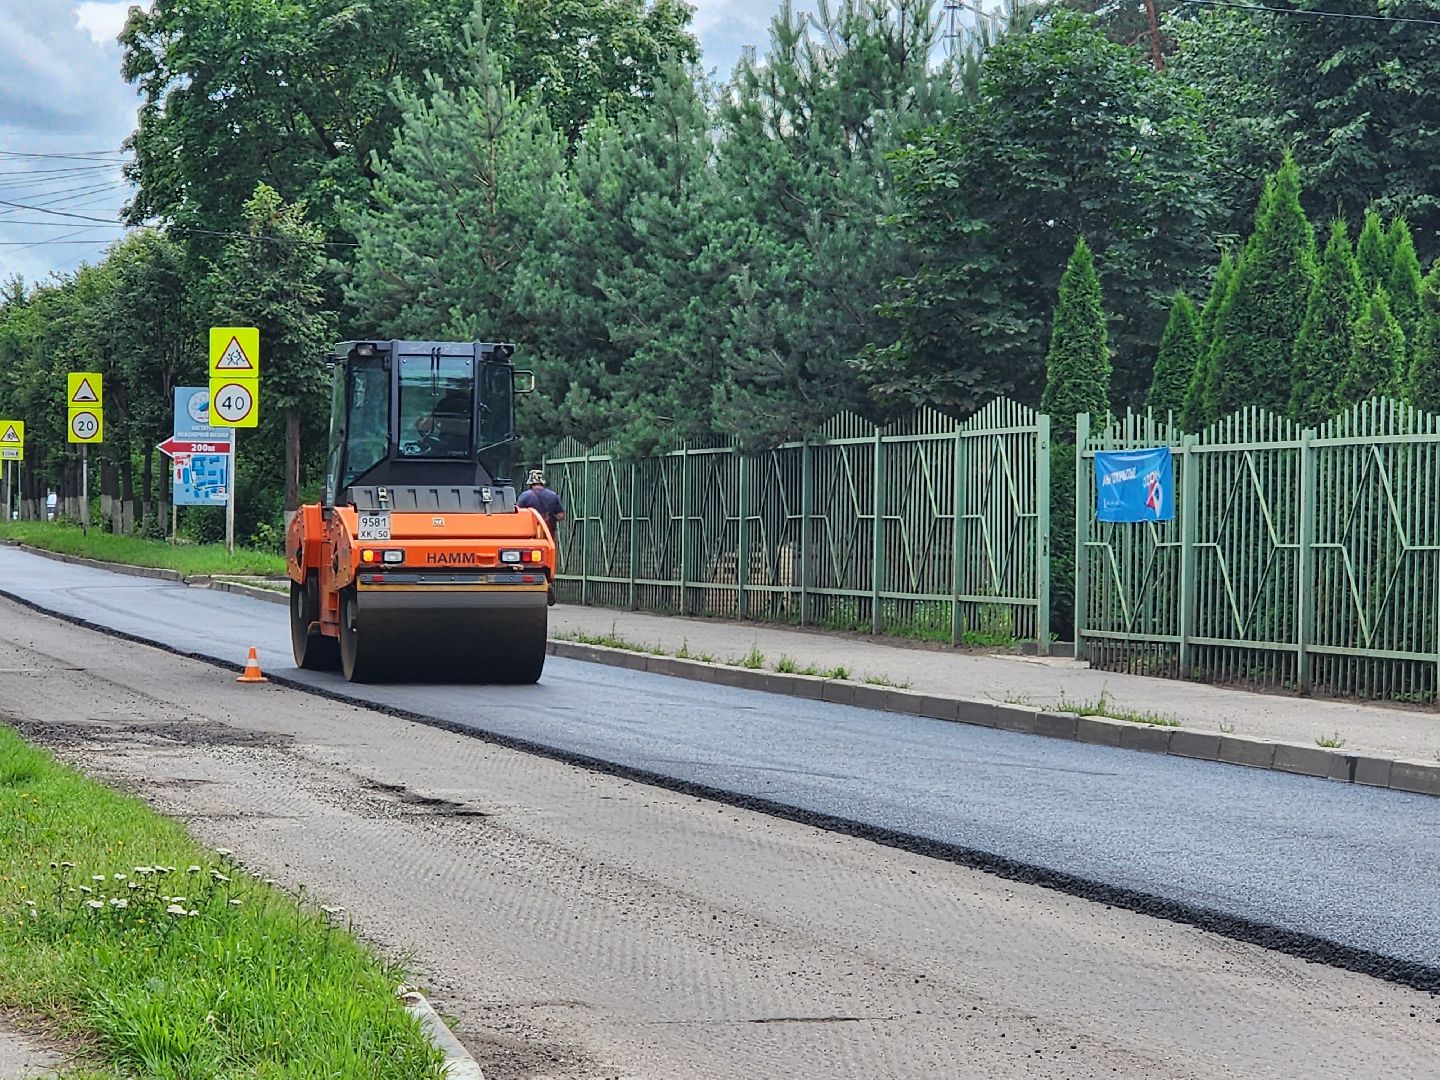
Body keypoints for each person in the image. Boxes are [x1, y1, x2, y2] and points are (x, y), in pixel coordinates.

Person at [517, 469, 564, 607]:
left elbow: (518, 514)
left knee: (527, 560)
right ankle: (549, 581)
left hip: (529, 535)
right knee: (549, 559)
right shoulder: (553, 496)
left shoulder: (525, 496)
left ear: (530, 481)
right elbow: (561, 515)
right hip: (548, 534)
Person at [413, 390, 471, 455]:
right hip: (468, 447)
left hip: (446, 445)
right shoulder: (472, 403)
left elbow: (426, 427)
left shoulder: (446, 403)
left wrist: (419, 424)